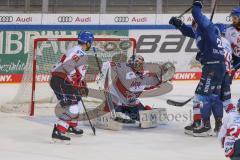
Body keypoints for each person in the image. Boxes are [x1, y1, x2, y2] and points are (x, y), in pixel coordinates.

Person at [169, 0, 226, 136]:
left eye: (195, 23)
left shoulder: (206, 26)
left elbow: (196, 12)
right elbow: (188, 31)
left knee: (201, 96)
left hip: (212, 67)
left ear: (199, 22)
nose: (193, 26)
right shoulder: (204, 31)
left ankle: (205, 126)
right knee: (214, 96)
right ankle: (218, 125)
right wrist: (178, 23)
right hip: (218, 67)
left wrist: (197, 4)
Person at [50, 31, 94, 141]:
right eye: (91, 42)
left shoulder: (76, 50)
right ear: (88, 43)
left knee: (77, 100)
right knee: (72, 105)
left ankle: (71, 126)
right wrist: (74, 78)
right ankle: (59, 130)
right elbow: (66, 65)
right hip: (61, 80)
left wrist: (80, 83)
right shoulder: (79, 52)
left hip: (63, 80)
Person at [104, 55, 175, 123]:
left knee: (145, 118)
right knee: (113, 111)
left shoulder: (142, 76)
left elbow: (156, 80)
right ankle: (108, 113)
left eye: (141, 64)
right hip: (115, 100)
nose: (141, 67)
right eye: (139, 64)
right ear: (132, 63)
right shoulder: (124, 68)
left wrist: (166, 76)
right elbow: (109, 66)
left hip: (131, 103)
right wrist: (107, 66)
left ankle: (144, 112)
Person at [226, 7, 240, 108]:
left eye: (235, 18)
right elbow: (227, 46)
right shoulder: (229, 30)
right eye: (233, 18)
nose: (233, 20)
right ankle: (224, 100)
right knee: (226, 78)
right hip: (235, 57)